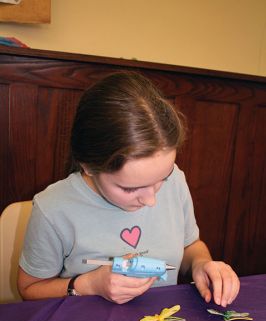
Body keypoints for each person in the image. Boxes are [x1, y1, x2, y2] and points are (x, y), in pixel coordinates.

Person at [17, 71, 240, 306]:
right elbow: (29, 289)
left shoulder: (176, 180)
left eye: (161, 179)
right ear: (89, 166)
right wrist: (89, 285)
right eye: (130, 189)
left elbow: (190, 245)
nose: (151, 200)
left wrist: (202, 264)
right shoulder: (53, 208)